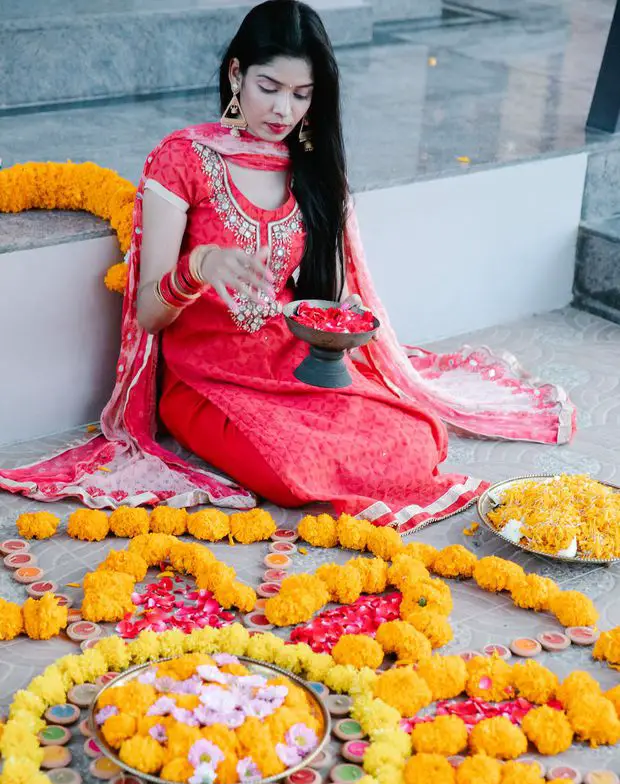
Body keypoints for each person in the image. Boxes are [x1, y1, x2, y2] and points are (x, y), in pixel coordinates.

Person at [0, 0, 575, 532]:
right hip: (204, 381)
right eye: (269, 87)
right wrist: (197, 265)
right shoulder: (183, 159)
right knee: (293, 471)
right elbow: (148, 314)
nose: (283, 110)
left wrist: (340, 315)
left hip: (287, 362)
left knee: (419, 437)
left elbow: (315, 291)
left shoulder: (309, 167)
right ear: (235, 75)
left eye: (302, 95)